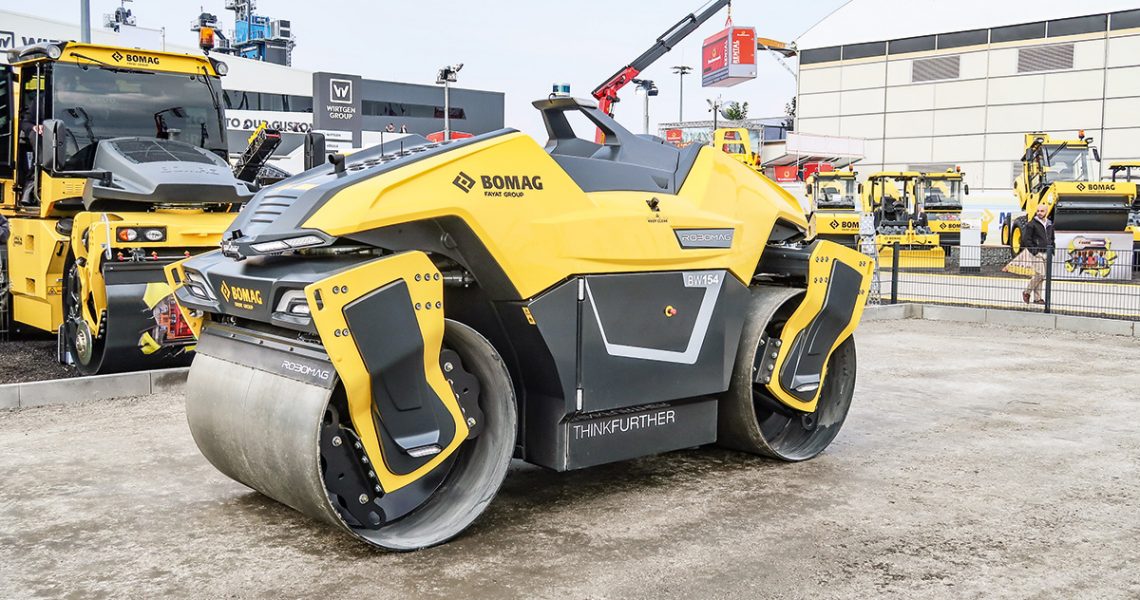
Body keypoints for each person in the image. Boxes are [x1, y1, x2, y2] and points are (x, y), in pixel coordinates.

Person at [1022, 203, 1054, 304]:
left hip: (1046, 252)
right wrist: (1034, 251)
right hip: (1037, 253)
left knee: (1041, 276)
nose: (1039, 213)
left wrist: (1051, 248)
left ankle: (1037, 298)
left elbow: (1051, 237)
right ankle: (1026, 292)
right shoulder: (1031, 224)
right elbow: (1026, 239)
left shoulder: (1049, 224)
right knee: (1041, 274)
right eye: (1038, 211)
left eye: (1042, 211)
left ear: (1046, 212)